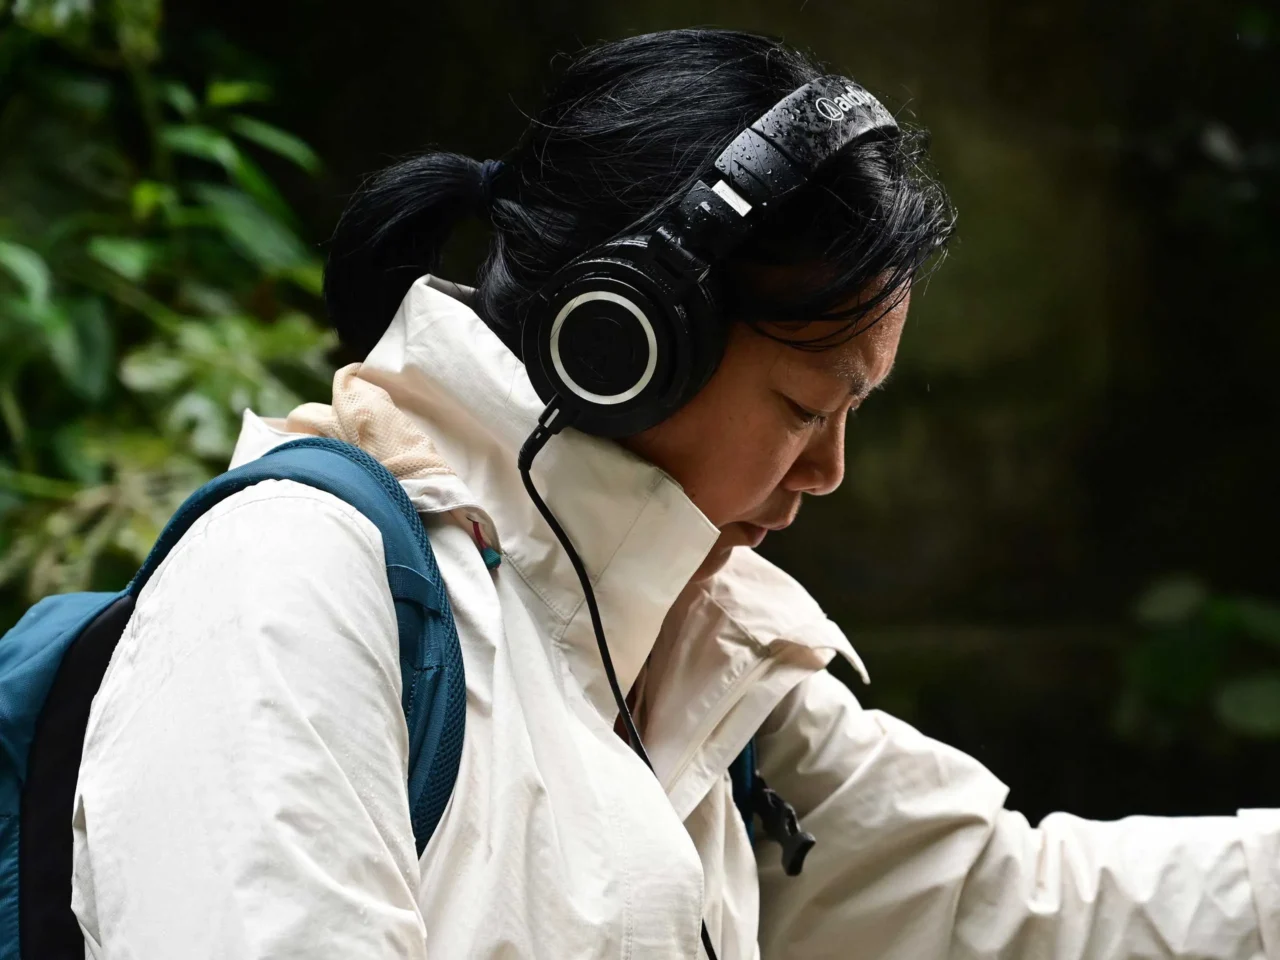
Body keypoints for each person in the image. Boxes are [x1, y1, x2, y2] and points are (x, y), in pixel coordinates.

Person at [69, 27, 1279, 960]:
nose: (827, 473)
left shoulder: (699, 656)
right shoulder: (289, 587)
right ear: (620, 345)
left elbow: (1003, 904)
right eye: (804, 407)